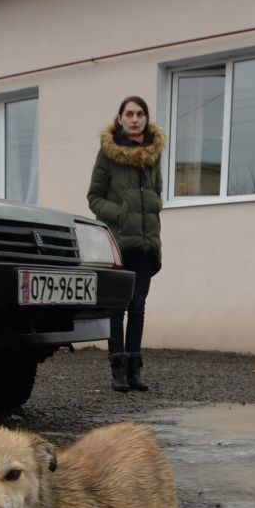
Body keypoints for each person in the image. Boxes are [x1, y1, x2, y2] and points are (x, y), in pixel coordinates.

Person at [87, 96, 163, 392]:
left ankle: (134, 370)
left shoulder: (154, 154)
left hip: (146, 242)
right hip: (120, 241)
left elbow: (157, 192)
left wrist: (155, 205)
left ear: (146, 118)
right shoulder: (108, 153)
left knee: (139, 306)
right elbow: (94, 197)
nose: (134, 119)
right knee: (117, 307)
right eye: (129, 114)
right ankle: (117, 369)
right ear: (120, 118)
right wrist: (121, 214)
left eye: (140, 114)